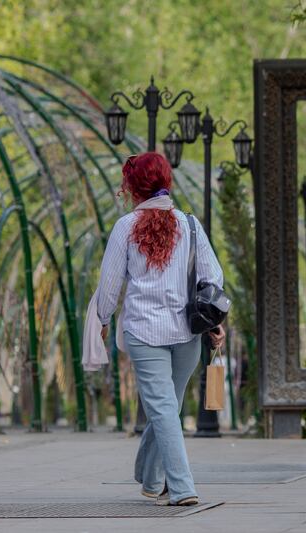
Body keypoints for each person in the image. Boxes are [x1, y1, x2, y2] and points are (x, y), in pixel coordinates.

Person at [95, 152, 225, 506]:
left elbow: (109, 285)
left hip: (144, 331)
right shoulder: (190, 225)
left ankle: (161, 481)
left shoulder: (125, 227)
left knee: (165, 407)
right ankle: (169, 484)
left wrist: (101, 319)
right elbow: (212, 278)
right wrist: (215, 321)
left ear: (134, 187)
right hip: (186, 331)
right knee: (167, 406)